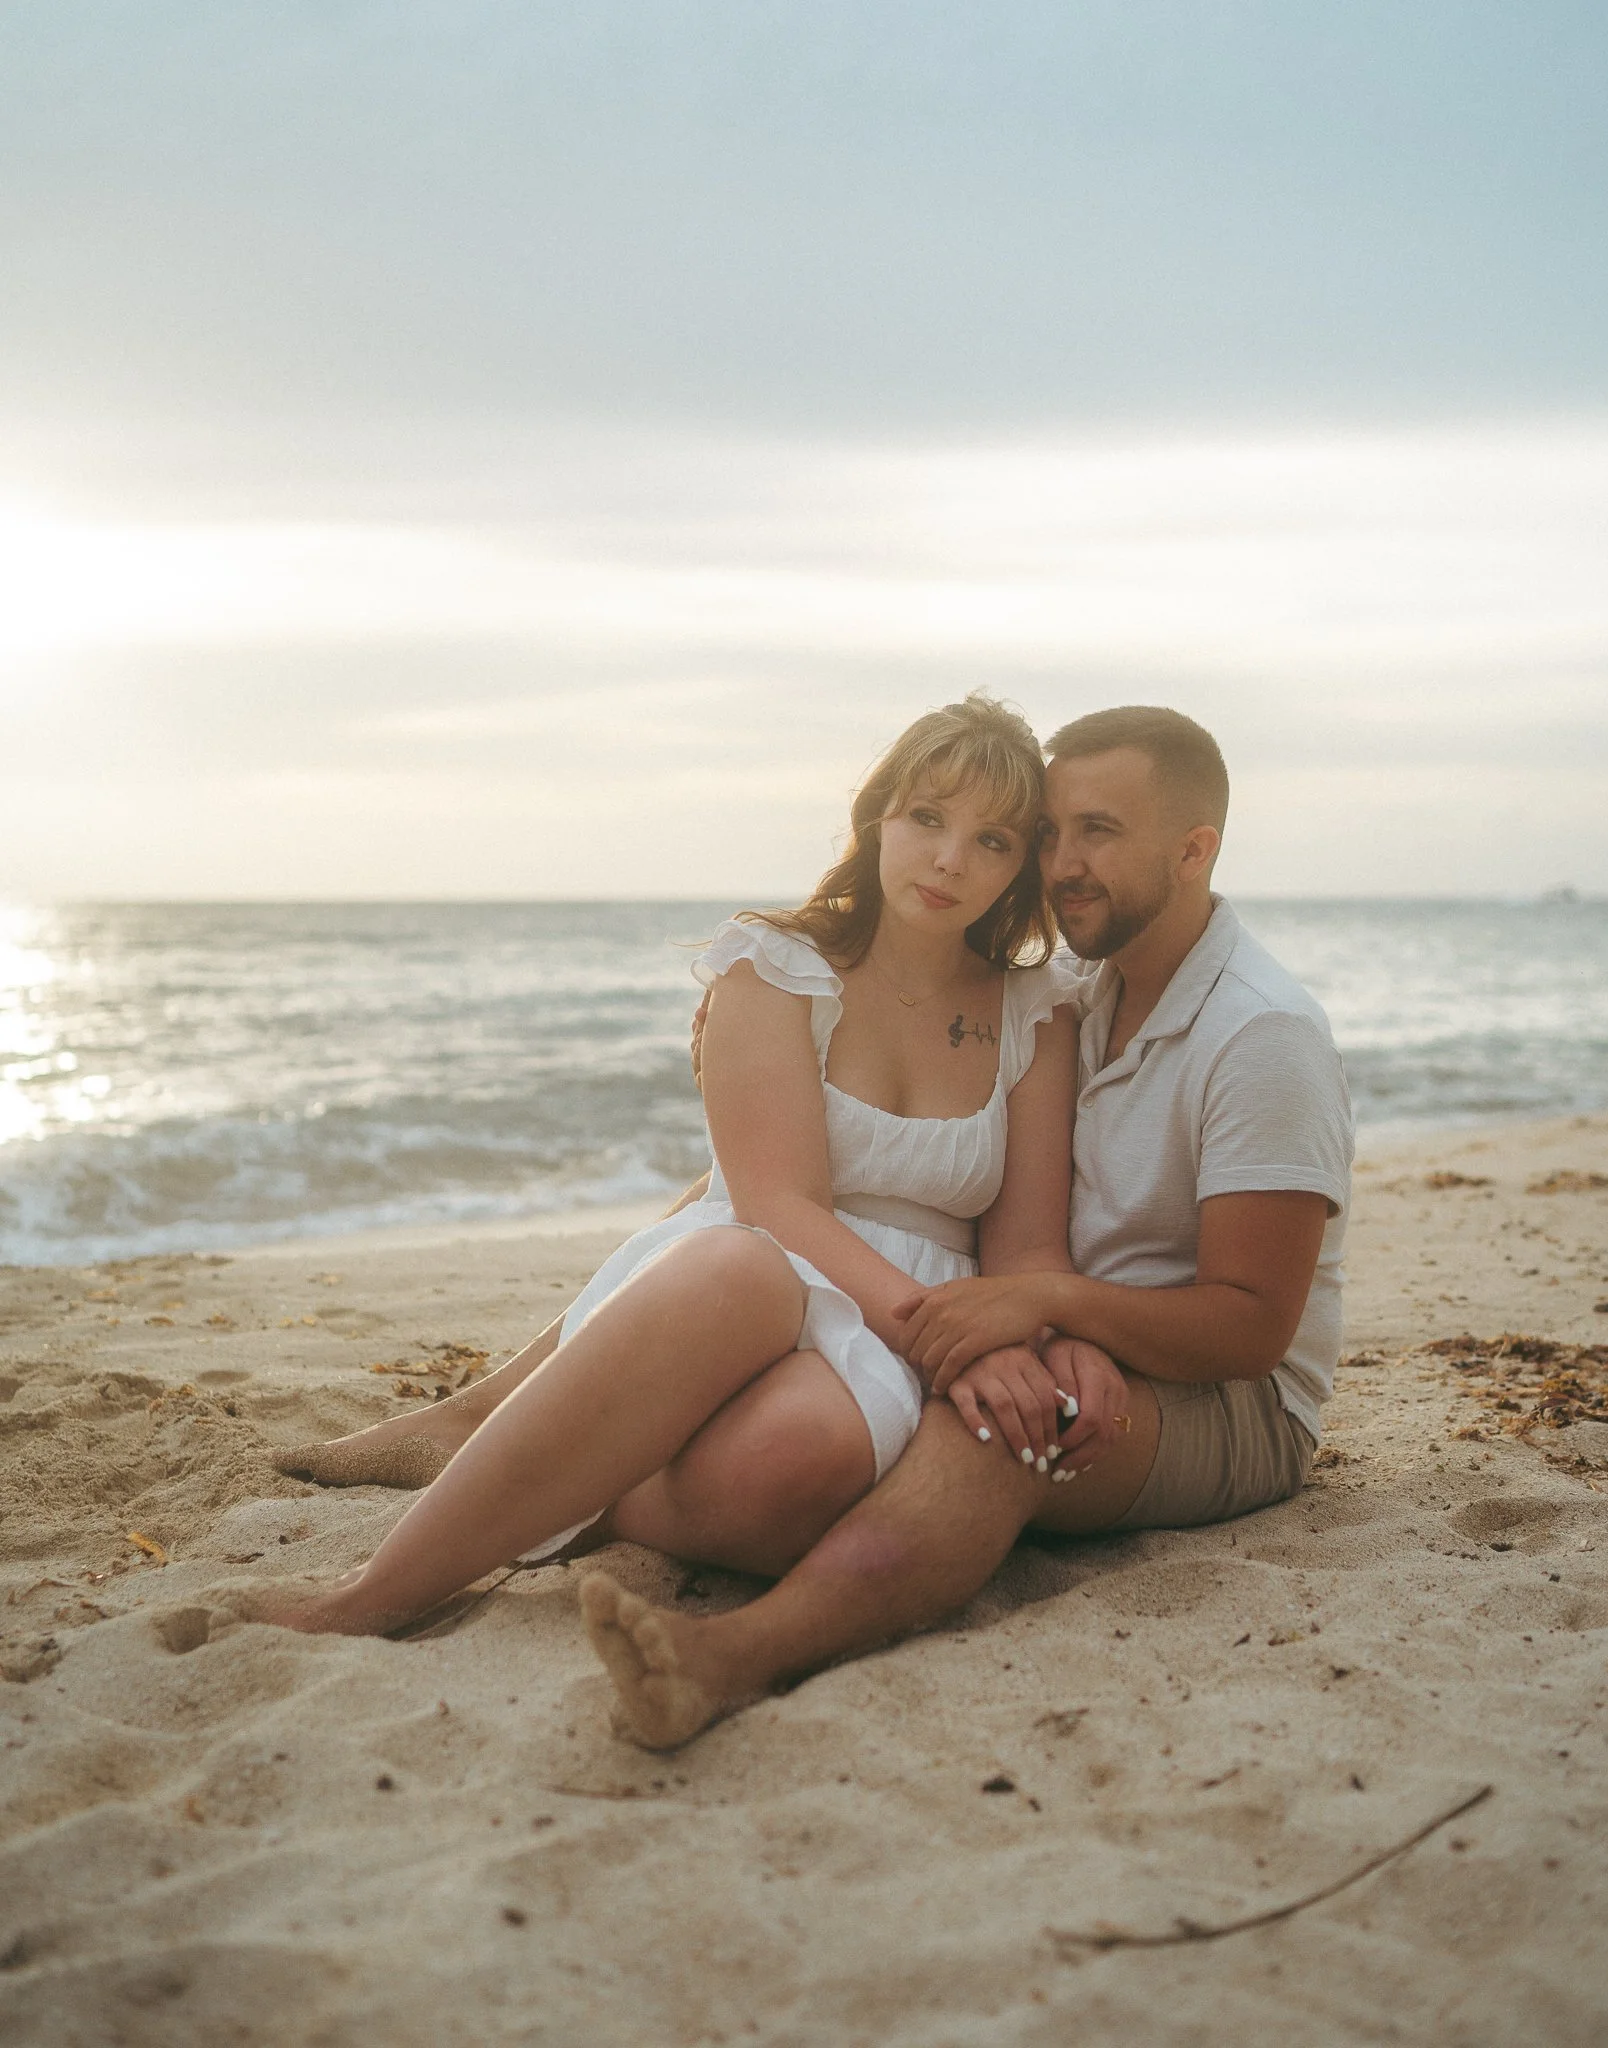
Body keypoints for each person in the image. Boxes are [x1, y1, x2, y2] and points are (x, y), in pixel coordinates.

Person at [577, 706, 1356, 1748]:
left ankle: (732, 1656)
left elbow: (1252, 1328)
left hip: (1231, 1399)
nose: (1062, 863)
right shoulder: (1081, 982)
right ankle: (534, 1421)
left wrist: (1044, 1309)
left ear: (1193, 849)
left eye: (1099, 832)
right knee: (758, 1208)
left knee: (998, 1432)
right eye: (1048, 832)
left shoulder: (1261, 1034)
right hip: (1069, 1322)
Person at [258, 693, 1082, 1634]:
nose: (949, 859)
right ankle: (369, 1597)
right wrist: (943, 1336)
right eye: (928, 818)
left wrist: (997, 1340)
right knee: (739, 1265)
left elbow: (1026, 1246)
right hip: (746, 1271)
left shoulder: (1035, 1013)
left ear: (1021, 868)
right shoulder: (774, 965)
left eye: (993, 841)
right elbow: (775, 1200)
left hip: (910, 1304)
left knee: (798, 1463)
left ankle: (568, 1480)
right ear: (879, 816)